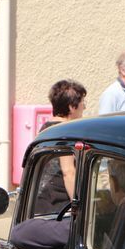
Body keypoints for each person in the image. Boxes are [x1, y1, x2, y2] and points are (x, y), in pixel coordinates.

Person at [35, 79, 87, 213]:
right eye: (82, 102)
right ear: (71, 107)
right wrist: (78, 206)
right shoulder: (66, 131)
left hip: (40, 200)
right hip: (58, 204)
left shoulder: (46, 129)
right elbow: (68, 172)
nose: (84, 107)